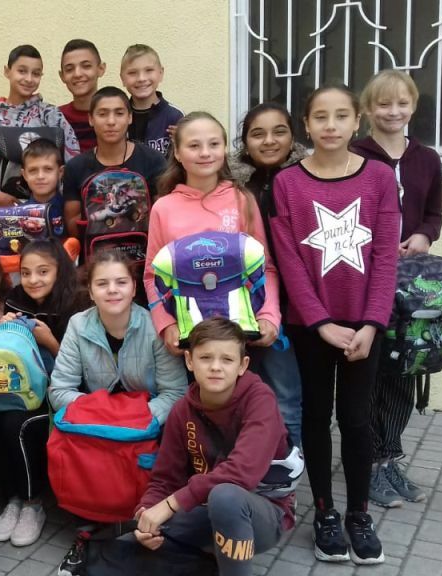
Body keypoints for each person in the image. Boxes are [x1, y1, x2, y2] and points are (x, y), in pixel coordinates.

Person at [270, 85, 399, 565]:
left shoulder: (379, 177)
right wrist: (321, 322)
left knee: (357, 418)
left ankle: (359, 514)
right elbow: (289, 261)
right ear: (306, 124)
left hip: (365, 324)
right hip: (312, 325)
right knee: (316, 416)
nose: (330, 125)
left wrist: (371, 323)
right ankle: (324, 511)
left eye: (341, 115)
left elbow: (386, 257)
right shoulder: (287, 183)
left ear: (356, 121)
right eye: (320, 117)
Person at [124, 318, 294, 576]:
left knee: (225, 496)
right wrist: (147, 513)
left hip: (264, 512)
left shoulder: (260, 401)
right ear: (189, 361)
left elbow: (240, 473)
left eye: (227, 359)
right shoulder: (182, 410)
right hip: (206, 507)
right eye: (205, 358)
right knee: (145, 530)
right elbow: (164, 479)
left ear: (242, 365)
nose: (216, 367)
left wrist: (170, 505)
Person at [352, 71, 442, 508]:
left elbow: (434, 214)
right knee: (373, 373)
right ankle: (368, 462)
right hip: (368, 278)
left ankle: (389, 457)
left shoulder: (427, 158)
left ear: (413, 107)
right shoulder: (356, 155)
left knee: (405, 370)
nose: (393, 112)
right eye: (384, 104)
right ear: (368, 110)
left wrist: (424, 235)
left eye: (402, 103)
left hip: (412, 280)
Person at [142, 112, 280, 359]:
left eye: (214, 144)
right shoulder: (163, 207)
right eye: (194, 146)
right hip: (189, 334)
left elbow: (265, 266)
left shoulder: (242, 199)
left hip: (241, 333)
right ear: (177, 153)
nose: (205, 153)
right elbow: (153, 275)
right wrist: (166, 324)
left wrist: (268, 315)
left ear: (224, 148)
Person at [0, 240, 83, 546]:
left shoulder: (75, 303)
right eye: (25, 272)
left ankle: (32, 503)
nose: (33, 280)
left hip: (60, 388)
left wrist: (50, 340)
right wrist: (5, 329)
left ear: (60, 270)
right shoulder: (15, 299)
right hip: (17, 384)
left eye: (43, 271)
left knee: (18, 423)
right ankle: (13, 499)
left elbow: (80, 368)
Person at [227, 102, 308, 447]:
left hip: (301, 302)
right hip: (247, 299)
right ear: (245, 142)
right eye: (258, 134)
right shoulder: (232, 186)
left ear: (293, 137)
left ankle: (291, 461)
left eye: (279, 132)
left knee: (289, 390)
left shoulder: (307, 177)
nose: (269, 141)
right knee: (247, 385)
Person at [49, 250, 186, 426]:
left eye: (121, 282)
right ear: (91, 292)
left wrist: (134, 416)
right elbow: (59, 391)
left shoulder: (155, 326)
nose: (112, 290)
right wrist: (105, 412)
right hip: (97, 424)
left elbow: (175, 393)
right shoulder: (78, 325)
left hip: (146, 425)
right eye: (102, 284)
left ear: (134, 288)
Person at [0, 44, 80, 207]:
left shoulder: (50, 114)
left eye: (36, 73)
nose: (29, 79)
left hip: (49, 208)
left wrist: (63, 201)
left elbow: (72, 160)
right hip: (3, 209)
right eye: (22, 71)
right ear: (7, 71)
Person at [63, 86, 166, 241]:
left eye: (119, 113)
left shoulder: (153, 160)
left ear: (130, 117)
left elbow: (163, 218)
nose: (111, 121)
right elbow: (72, 226)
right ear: (91, 119)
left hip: (144, 252)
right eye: (102, 114)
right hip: (95, 253)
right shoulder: (75, 167)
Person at [119, 44, 184, 156]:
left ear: (161, 73)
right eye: (132, 73)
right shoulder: (118, 116)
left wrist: (183, 142)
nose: (141, 78)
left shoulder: (175, 116)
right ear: (122, 78)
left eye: (149, 70)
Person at [58, 39, 107, 152]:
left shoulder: (117, 115)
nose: (77, 74)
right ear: (62, 76)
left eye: (86, 66)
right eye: (69, 69)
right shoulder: (56, 118)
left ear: (101, 69)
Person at [20, 138, 68, 239]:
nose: (40, 176)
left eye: (48, 169)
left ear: (60, 172)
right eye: (33, 170)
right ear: (24, 175)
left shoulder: (69, 211)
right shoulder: (18, 215)